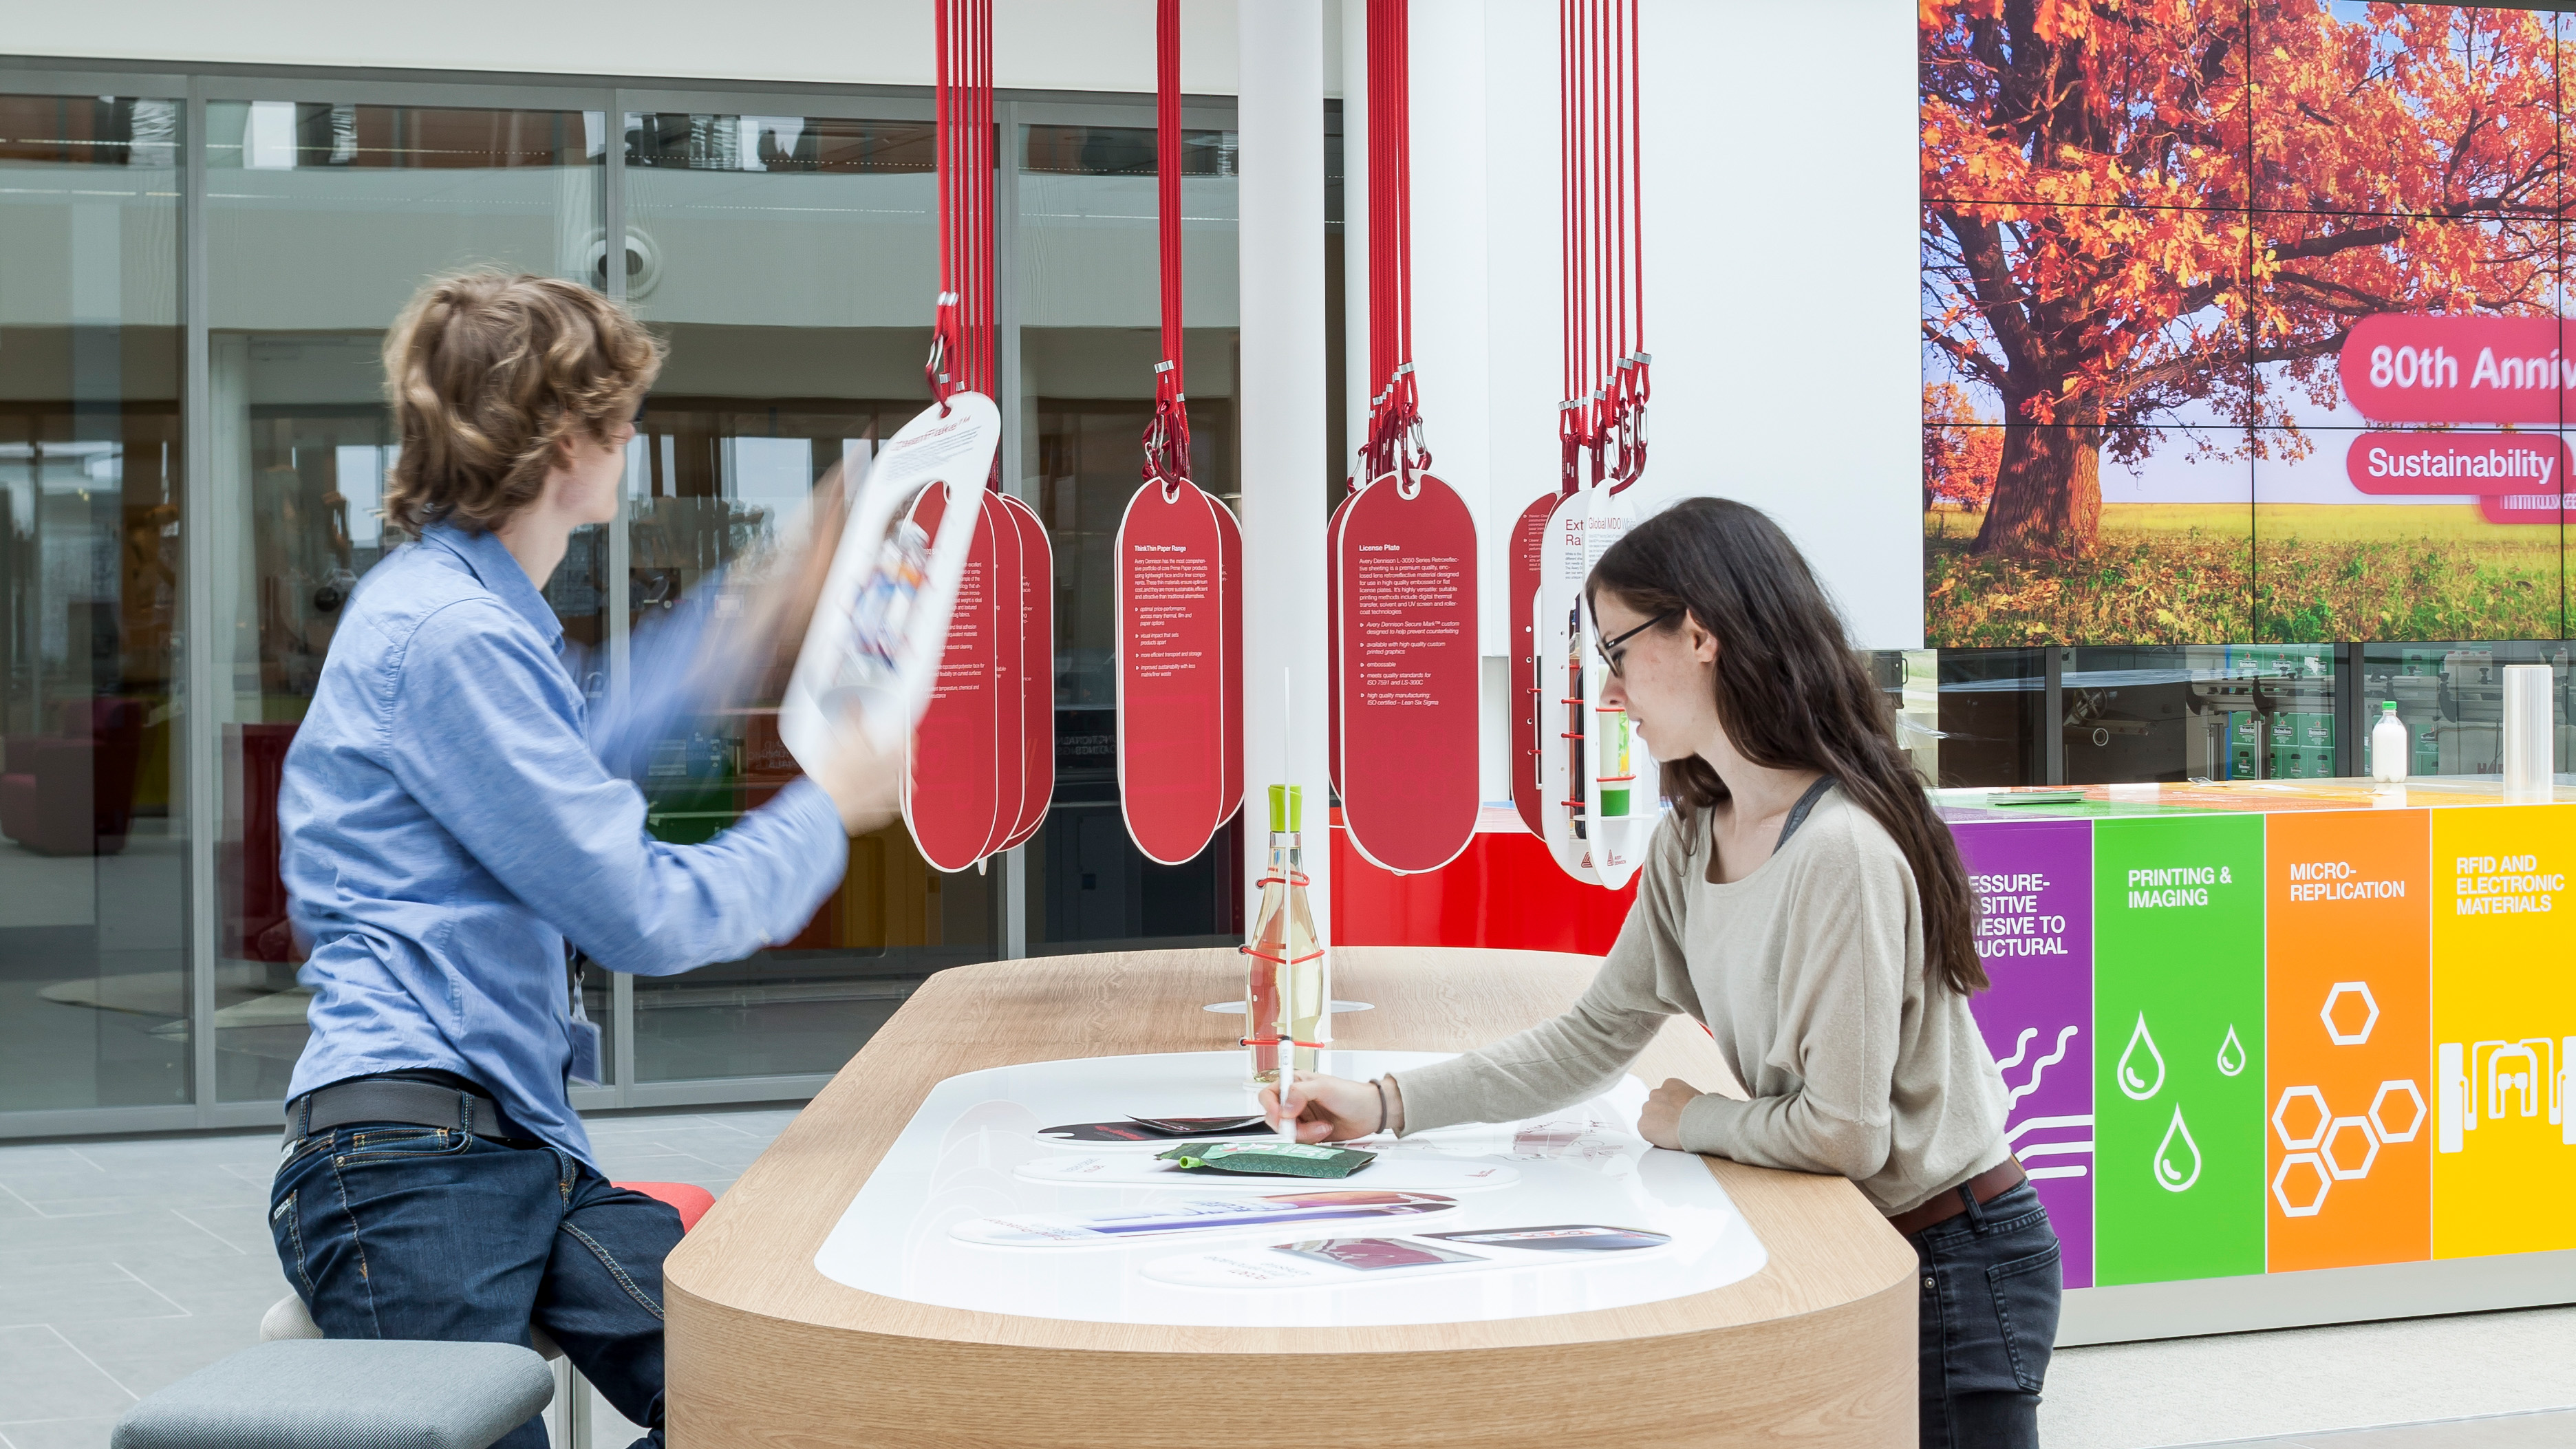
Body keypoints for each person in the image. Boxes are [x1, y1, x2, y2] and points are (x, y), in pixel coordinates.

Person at [1267, 497, 2059, 1448]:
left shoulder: (1840, 849)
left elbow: (1846, 1131)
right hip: (1870, 1245)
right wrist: (1384, 1102)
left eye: (1616, 652)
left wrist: (1695, 1118)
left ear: (1700, 635)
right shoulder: (1692, 837)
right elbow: (1593, 1034)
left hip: (1954, 1261)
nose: (1609, 693)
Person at [265, 270, 893, 1449]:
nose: (636, 437)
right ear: (569, 441)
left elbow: (587, 754)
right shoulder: (448, 635)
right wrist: (829, 812)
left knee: (777, 1393)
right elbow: (640, 910)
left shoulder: (471, 614)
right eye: (625, 414)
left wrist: (760, 600)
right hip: (411, 1167)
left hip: (514, 1149)